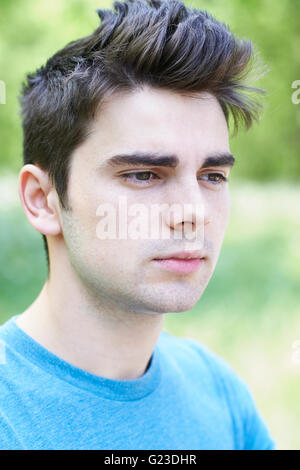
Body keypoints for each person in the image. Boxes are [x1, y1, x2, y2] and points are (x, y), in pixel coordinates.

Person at [0, 0, 275, 450]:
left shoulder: (220, 395)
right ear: (42, 200)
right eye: (144, 175)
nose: (194, 212)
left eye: (212, 176)